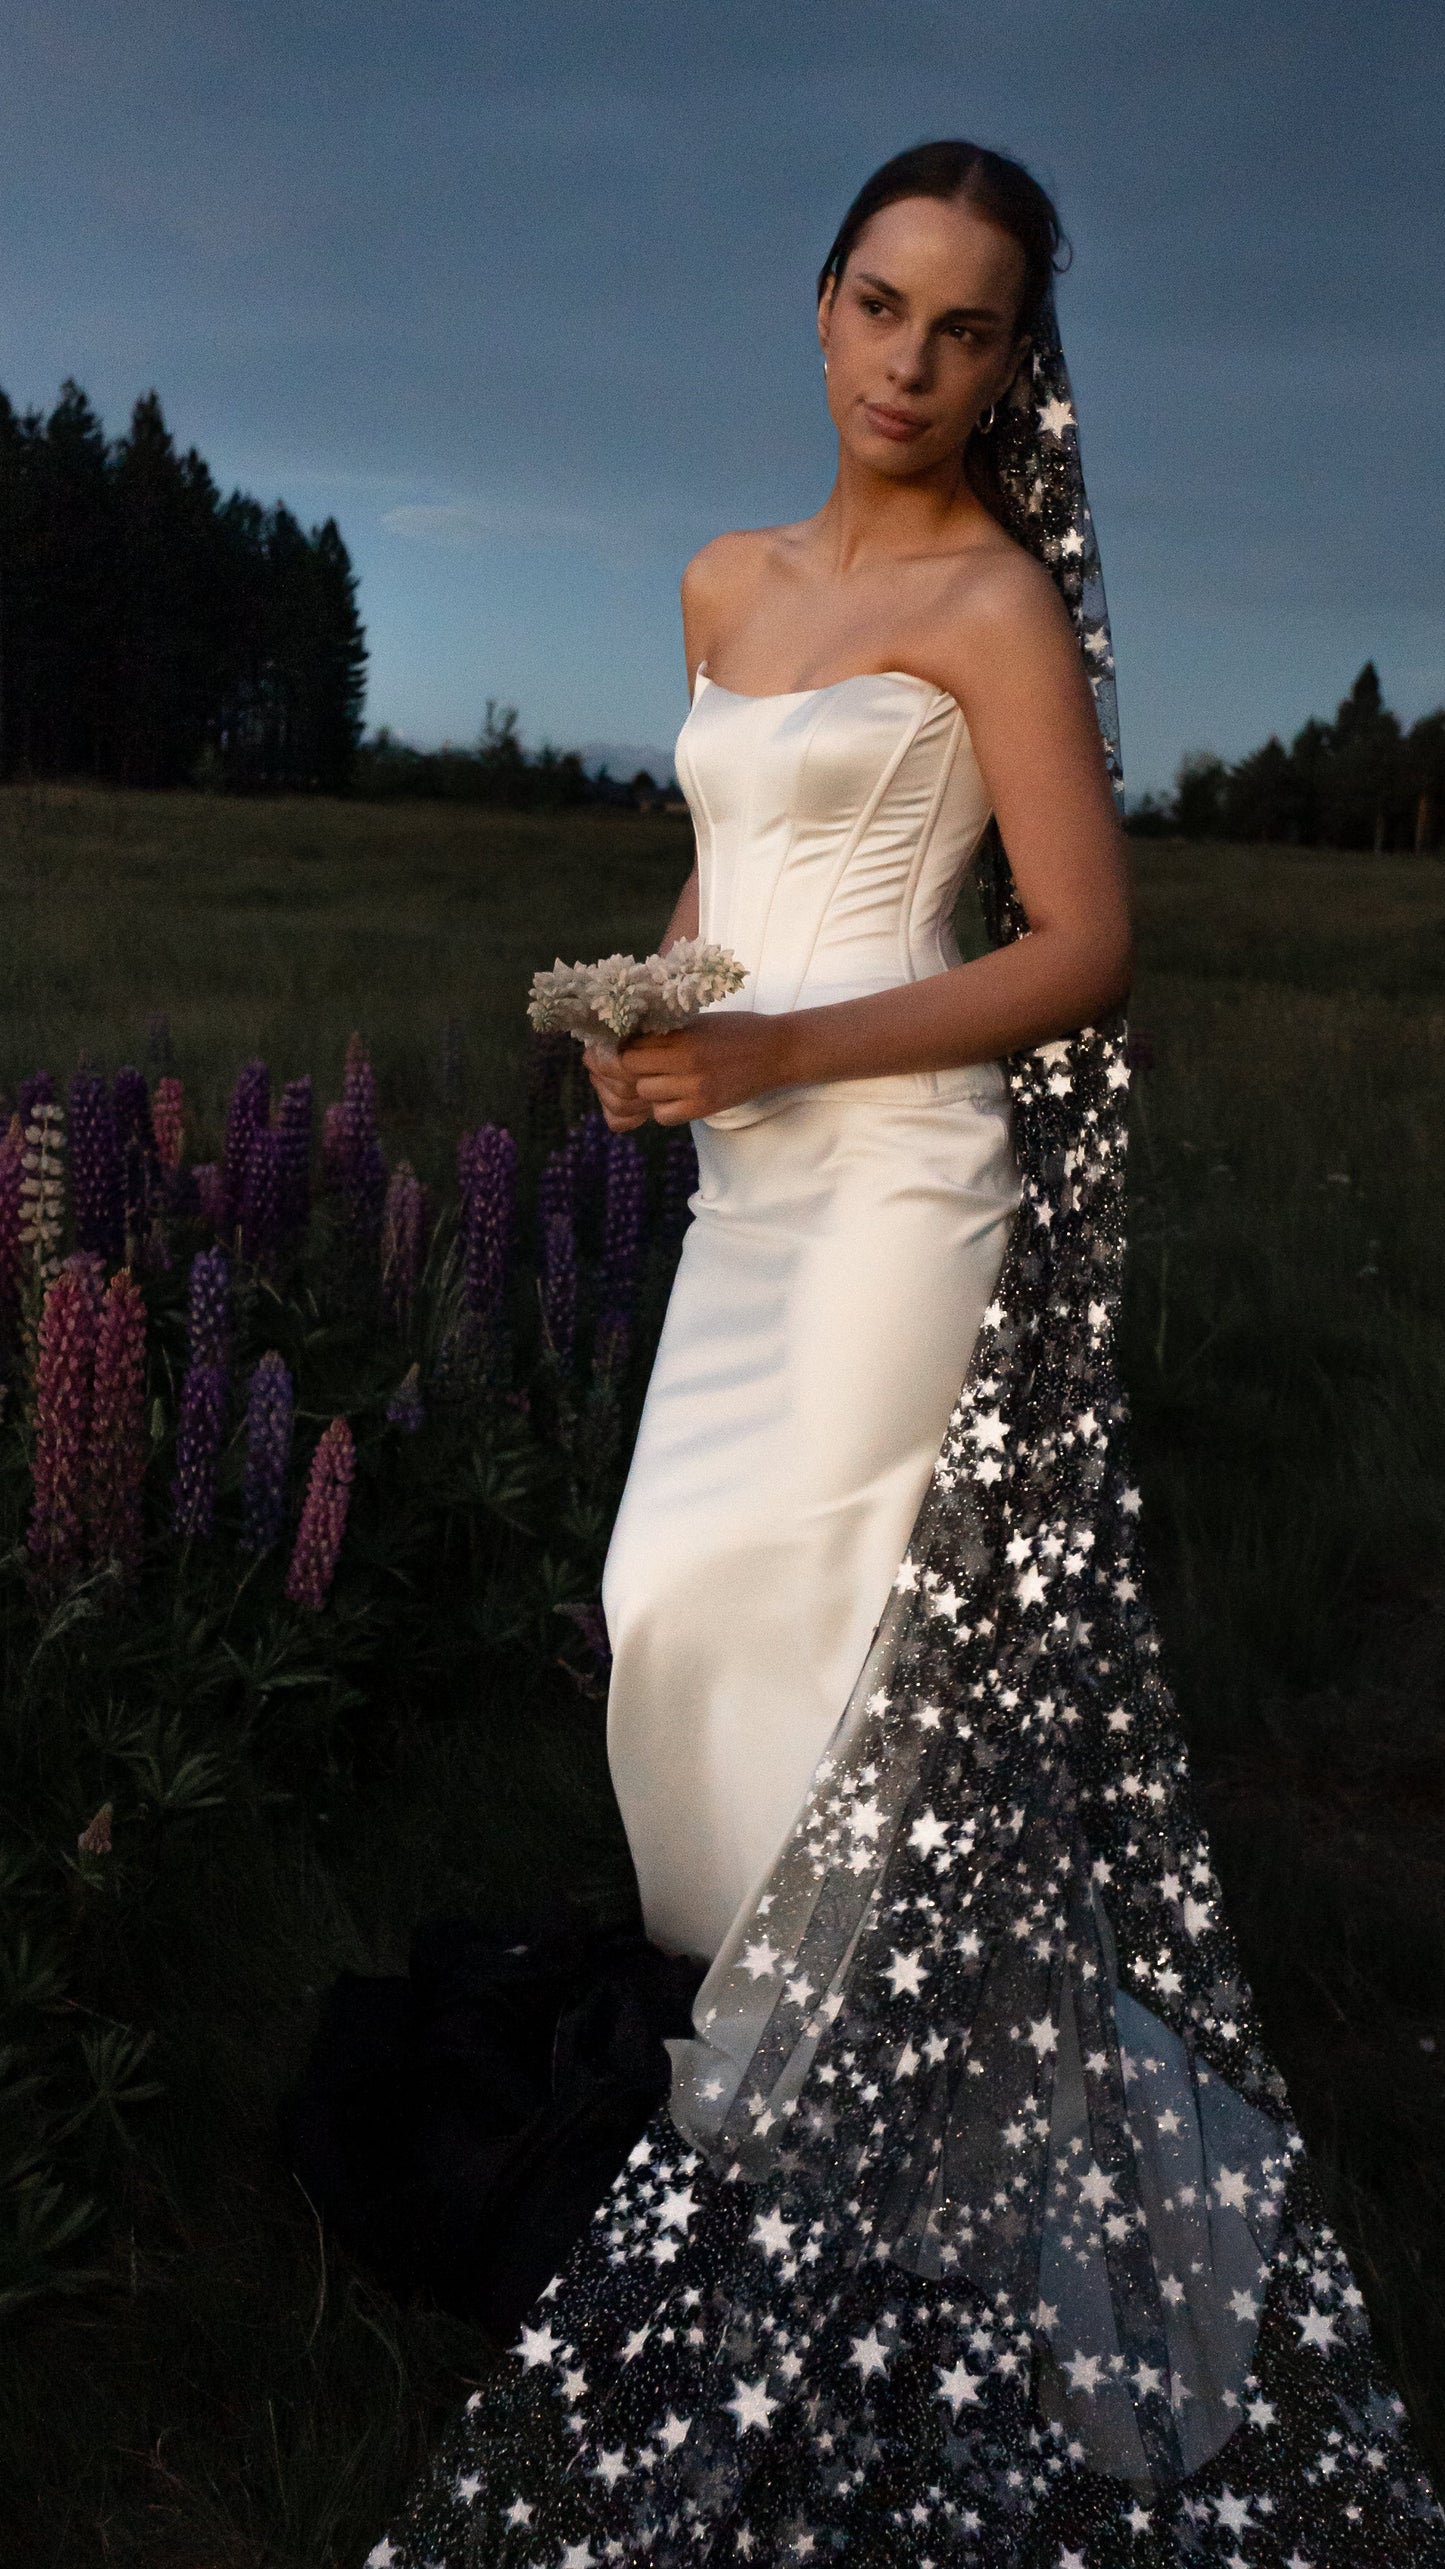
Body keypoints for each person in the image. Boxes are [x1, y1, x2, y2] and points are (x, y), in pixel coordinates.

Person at [371, 140, 1445, 2566]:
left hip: (893, 1192)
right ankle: (762, 2111)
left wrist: (787, 1059)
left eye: (968, 330)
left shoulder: (991, 608)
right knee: (662, 1619)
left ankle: (872, 2164)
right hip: (752, 1180)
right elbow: (732, 866)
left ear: (1014, 359)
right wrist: (657, 1018)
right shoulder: (727, 580)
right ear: (820, 299)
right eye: (880, 304)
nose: (911, 363)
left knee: (820, 1642)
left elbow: (1079, 946)